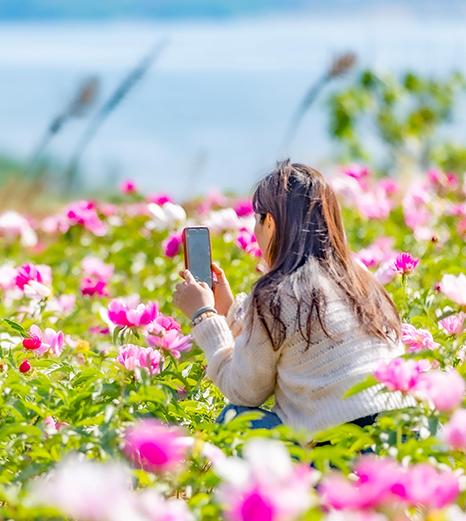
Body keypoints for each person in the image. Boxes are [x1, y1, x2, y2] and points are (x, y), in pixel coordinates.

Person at [172, 160, 414, 433]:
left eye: (257, 220)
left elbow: (244, 391)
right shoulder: (359, 278)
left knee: (235, 419)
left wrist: (204, 317)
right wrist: (230, 310)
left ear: (270, 223)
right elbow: (285, 341)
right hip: (398, 437)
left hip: (339, 452)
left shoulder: (277, 292)